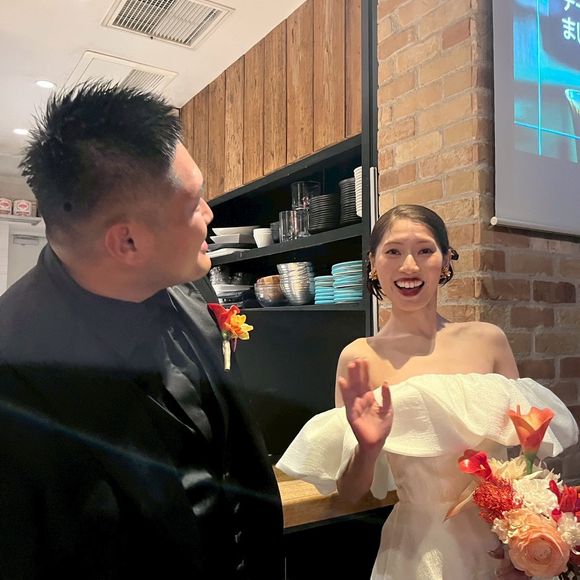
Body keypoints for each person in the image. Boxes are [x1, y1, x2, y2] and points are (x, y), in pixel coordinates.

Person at [0, 82, 283, 579]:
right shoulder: (14, 369)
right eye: (194, 202)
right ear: (127, 241)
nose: (210, 214)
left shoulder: (189, 290)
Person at [276, 204, 578, 579]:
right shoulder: (359, 357)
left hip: (500, 548)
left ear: (445, 261)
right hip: (417, 551)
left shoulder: (488, 341)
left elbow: (523, 463)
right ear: (372, 264)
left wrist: (534, 542)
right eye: (393, 251)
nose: (409, 266)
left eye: (424, 250)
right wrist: (368, 447)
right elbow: (352, 492)